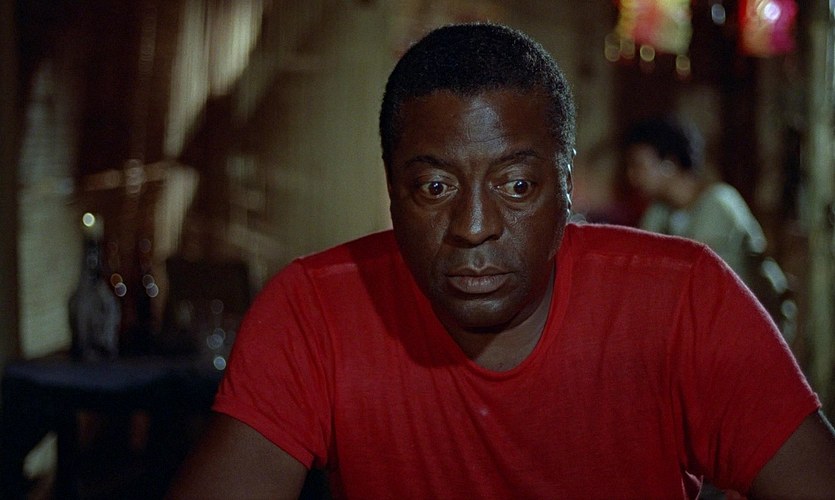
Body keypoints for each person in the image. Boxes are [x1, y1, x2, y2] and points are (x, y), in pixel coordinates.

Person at [168, 23, 835, 499]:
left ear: (566, 186)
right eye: (434, 187)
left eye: (516, 185)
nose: (474, 226)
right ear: (392, 189)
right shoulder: (315, 308)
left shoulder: (682, 295)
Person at [623, 116, 795, 335]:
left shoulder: (718, 203)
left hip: (756, 327)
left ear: (669, 163)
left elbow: (699, 283)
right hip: (709, 326)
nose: (632, 176)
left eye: (638, 165)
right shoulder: (659, 211)